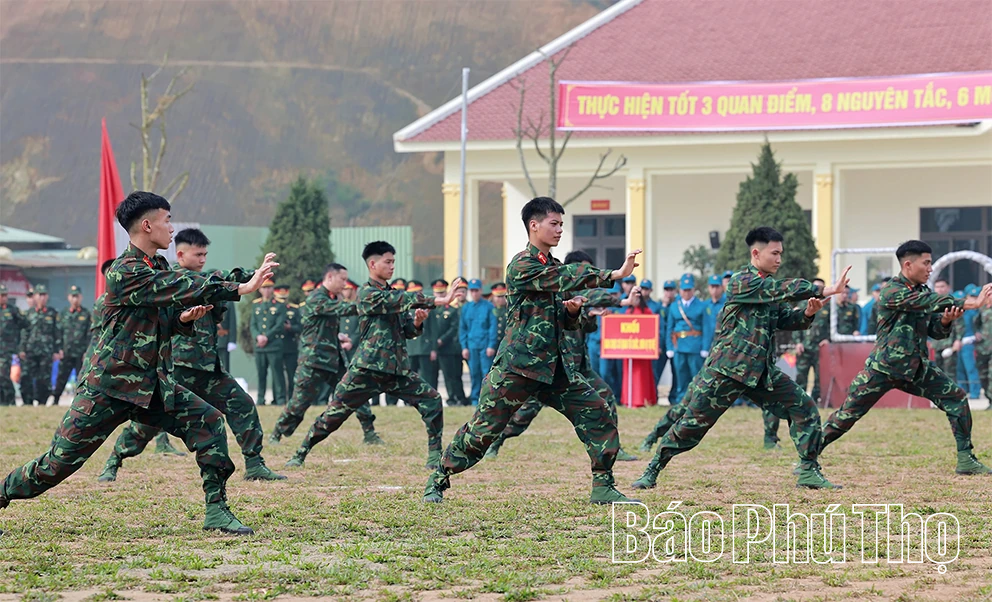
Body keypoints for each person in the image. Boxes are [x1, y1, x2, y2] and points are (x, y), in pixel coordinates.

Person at [0, 191, 278, 534]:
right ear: (147, 226)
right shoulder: (124, 271)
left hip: (150, 385)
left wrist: (183, 319)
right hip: (110, 386)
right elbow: (179, 284)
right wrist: (239, 287)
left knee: (208, 422)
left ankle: (217, 510)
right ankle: (2, 492)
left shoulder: (157, 266)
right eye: (167, 220)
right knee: (56, 465)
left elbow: (161, 317)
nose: (172, 228)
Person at [423, 196, 642, 504]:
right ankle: (438, 477)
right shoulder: (522, 265)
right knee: (481, 434)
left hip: (554, 369)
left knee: (597, 412)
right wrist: (614, 275)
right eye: (554, 223)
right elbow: (564, 277)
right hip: (518, 368)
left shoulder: (552, 266)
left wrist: (572, 310)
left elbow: (562, 318)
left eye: (562, 224)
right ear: (534, 225)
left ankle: (603, 486)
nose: (560, 230)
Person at [632, 226, 849, 491]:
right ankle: (653, 468)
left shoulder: (770, 289)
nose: (779, 259)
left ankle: (808, 469)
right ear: (756, 253)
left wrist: (807, 314)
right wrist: (825, 289)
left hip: (760, 372)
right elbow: (781, 288)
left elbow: (784, 319)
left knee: (804, 407)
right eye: (774, 253)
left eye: (781, 253)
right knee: (691, 425)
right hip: (728, 369)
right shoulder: (742, 281)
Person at [97, 228, 286, 483]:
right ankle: (114, 461)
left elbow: (228, 278)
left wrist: (256, 273)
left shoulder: (207, 280)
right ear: (180, 254)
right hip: (178, 367)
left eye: (205, 254)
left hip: (208, 368)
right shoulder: (167, 282)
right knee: (146, 426)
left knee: (242, 405)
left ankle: (254, 463)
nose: (203, 259)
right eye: (198, 254)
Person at [285, 242, 461, 469]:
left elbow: (407, 331)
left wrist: (417, 322)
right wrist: (440, 300)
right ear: (372, 264)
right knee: (334, 415)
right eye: (388, 262)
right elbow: (400, 301)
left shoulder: (392, 294)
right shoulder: (367, 293)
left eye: (393, 262)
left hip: (396, 370)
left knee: (432, 400)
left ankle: (435, 456)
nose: (392, 266)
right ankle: (300, 453)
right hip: (367, 370)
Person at [820, 241, 991, 475]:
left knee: (956, 398)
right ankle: (807, 459)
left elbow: (934, 330)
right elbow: (928, 303)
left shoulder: (923, 291)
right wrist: (972, 303)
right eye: (926, 263)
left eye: (931, 263)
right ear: (908, 265)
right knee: (847, 415)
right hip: (884, 368)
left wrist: (945, 320)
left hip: (915, 368)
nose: (930, 268)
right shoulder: (892, 291)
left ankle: (966, 459)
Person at [485, 250, 639, 462]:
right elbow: (593, 296)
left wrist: (589, 315)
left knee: (606, 397)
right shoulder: (561, 287)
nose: (587, 273)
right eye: (584, 268)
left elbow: (587, 326)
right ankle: (496, 441)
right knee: (523, 416)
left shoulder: (578, 296)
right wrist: (623, 301)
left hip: (580, 367)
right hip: (550, 369)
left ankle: (613, 448)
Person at [270, 263, 384, 445]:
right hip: (313, 361)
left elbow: (323, 326)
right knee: (299, 403)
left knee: (356, 390)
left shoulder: (332, 298)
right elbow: (344, 309)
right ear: (330, 277)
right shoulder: (317, 298)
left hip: (334, 360)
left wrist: (337, 336)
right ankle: (277, 433)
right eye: (342, 279)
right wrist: (371, 303)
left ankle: (369, 434)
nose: (345, 284)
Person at [89, 259, 186, 457]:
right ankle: (117, 454)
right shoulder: (103, 302)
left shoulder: (142, 294)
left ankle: (161, 443)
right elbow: (99, 335)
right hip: (117, 362)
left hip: (149, 358)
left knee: (160, 403)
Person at [666, 274, 706, 405]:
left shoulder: (701, 305)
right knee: (681, 375)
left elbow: (706, 327)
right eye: (684, 290)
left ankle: (697, 401)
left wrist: (705, 347)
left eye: (689, 289)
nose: (686, 293)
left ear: (693, 290)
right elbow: (670, 328)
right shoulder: (674, 306)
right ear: (680, 290)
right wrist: (669, 347)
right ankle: (681, 401)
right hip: (678, 345)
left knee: (696, 375)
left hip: (695, 345)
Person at [19, 284, 61, 406]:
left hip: (46, 351)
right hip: (30, 350)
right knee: (26, 376)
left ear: (47, 296)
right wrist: (22, 349)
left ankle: (42, 402)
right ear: (35, 296)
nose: (42, 297)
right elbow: (24, 332)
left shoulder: (52, 313)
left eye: (44, 295)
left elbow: (57, 332)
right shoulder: (28, 313)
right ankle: (27, 402)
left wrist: (57, 350)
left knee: (44, 378)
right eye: (39, 295)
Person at [460, 279, 497, 405]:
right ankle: (475, 399)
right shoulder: (466, 308)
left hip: (485, 346)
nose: (474, 293)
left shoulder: (489, 307)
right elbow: (463, 329)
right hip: (472, 346)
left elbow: (492, 327)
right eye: (472, 291)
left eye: (476, 290)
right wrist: (464, 347)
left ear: (481, 290)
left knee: (486, 373)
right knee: (474, 373)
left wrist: (491, 345)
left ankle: (486, 398)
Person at [250, 279, 288, 405]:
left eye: (269, 287)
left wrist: (266, 337)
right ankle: (261, 399)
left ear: (272, 289)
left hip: (273, 345)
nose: (267, 290)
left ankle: (280, 399)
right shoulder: (256, 304)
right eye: (264, 288)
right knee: (261, 374)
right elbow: (253, 324)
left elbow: (279, 325)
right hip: (260, 346)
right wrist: (258, 337)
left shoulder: (279, 305)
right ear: (260, 289)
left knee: (277, 373)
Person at [432, 279, 469, 406]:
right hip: (439, 348)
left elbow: (454, 328)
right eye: (438, 293)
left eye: (442, 293)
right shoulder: (432, 310)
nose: (440, 295)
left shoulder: (452, 310)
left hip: (453, 347)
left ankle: (459, 397)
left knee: (455, 374)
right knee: (445, 375)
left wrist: (442, 340)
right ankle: (451, 397)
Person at [620, 285, 657, 408]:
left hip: (643, 350)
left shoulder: (647, 312)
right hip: (630, 350)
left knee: (642, 376)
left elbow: (651, 330)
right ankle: (628, 400)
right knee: (629, 375)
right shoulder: (627, 312)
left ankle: (643, 399)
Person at [52, 285, 91, 402]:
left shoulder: (86, 314)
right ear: (69, 297)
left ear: (81, 297)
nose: (75, 299)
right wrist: (59, 349)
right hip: (66, 352)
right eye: (73, 296)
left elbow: (89, 334)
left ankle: (80, 401)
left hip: (80, 353)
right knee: (61, 377)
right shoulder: (63, 314)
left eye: (77, 296)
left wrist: (87, 351)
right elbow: (58, 332)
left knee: (82, 378)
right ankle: (55, 399)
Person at [930, 278, 964, 378]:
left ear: (948, 288)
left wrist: (958, 340)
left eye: (942, 286)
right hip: (936, 344)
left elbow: (960, 324)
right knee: (937, 374)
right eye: (937, 287)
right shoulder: (932, 304)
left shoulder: (953, 303)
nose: (940, 289)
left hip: (950, 344)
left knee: (950, 374)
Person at [0, 285, 28, 406]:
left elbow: (25, 325)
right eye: (2, 295)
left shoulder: (13, 310)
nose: (4, 298)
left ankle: (10, 400)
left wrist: (20, 344)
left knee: (3, 375)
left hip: (7, 348)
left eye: (5, 295)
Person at [276, 284, 302, 401]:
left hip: (290, 346)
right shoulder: (273, 309)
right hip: (276, 345)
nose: (282, 301)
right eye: (280, 299)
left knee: (292, 374)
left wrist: (290, 327)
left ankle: (292, 397)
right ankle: (279, 398)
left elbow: (300, 327)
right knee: (278, 375)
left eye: (284, 298)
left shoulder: (294, 309)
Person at [957, 284, 983, 399]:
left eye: (976, 296)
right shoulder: (963, 310)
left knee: (971, 368)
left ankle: (974, 392)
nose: (974, 299)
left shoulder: (979, 311)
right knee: (959, 369)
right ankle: (961, 391)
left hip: (971, 343)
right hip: (960, 343)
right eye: (972, 296)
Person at [973, 301, 992, 402]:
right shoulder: (982, 309)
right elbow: (975, 323)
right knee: (983, 375)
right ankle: (989, 397)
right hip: (984, 347)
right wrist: (976, 332)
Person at [215, 300, 237, 373]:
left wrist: (232, 340)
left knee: (224, 368)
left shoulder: (229, 302)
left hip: (223, 340)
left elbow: (232, 322)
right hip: (210, 340)